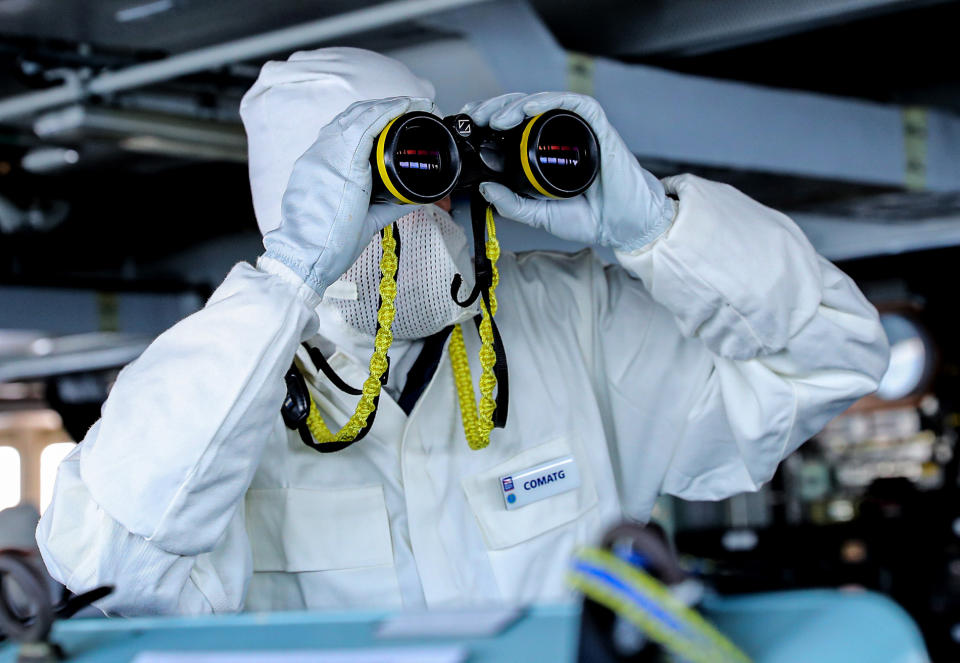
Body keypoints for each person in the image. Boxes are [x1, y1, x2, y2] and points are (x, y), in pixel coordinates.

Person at [36, 48, 888, 616]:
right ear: (295, 215)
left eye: (431, 171)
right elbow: (105, 570)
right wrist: (291, 278)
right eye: (384, 186)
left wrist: (655, 227)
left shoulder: (572, 321)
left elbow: (834, 352)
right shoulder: (222, 396)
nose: (424, 206)